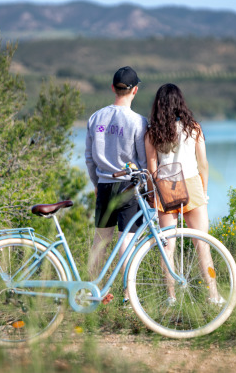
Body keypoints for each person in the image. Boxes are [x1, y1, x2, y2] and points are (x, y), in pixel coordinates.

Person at [145, 83, 224, 305]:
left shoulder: (152, 133)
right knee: (202, 244)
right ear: (181, 103)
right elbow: (204, 164)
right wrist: (204, 192)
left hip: (166, 186)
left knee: (168, 247)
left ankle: (170, 297)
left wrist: (155, 192)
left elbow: (152, 168)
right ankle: (213, 295)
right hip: (191, 185)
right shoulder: (194, 129)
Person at [85, 66, 147, 303]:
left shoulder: (95, 117)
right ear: (135, 91)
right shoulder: (138, 122)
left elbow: (89, 158)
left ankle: (92, 290)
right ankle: (129, 295)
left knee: (100, 241)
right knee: (127, 239)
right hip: (128, 187)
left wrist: (97, 183)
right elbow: (142, 161)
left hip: (103, 184)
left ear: (113, 88)